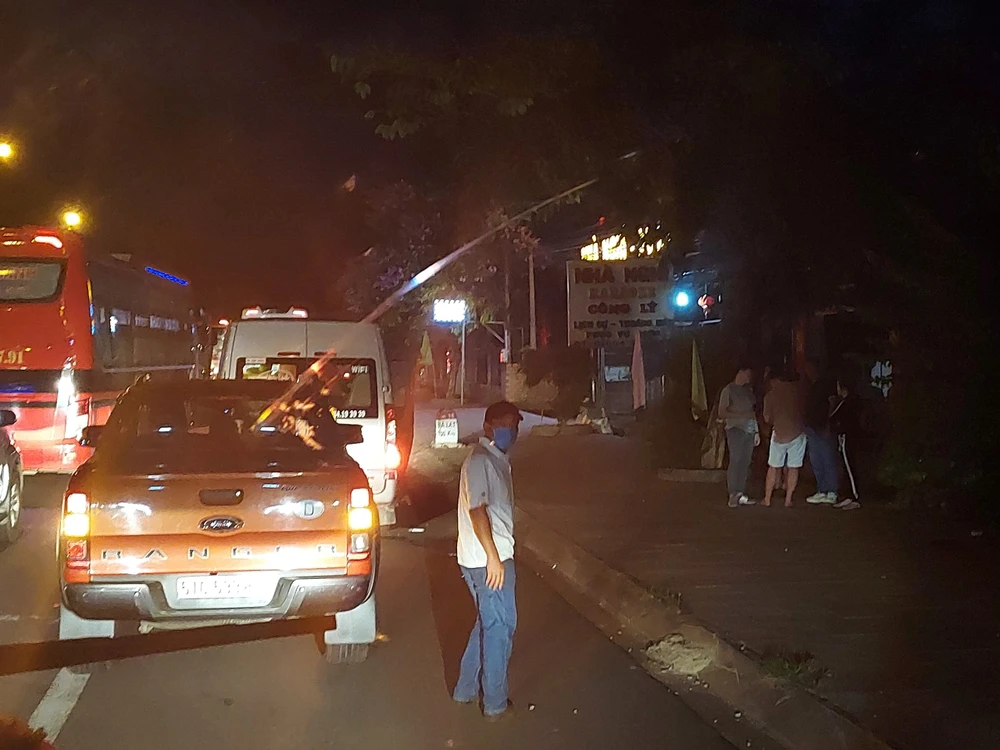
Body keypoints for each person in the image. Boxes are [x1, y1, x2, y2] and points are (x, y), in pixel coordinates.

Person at [453, 401, 523, 721]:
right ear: (488, 427)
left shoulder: (496, 460)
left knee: (490, 623)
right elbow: (477, 511)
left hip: (492, 557)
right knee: (499, 628)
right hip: (487, 561)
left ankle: (466, 689)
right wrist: (494, 559)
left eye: (515, 426)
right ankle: (495, 702)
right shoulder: (480, 461)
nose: (512, 431)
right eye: (505, 425)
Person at [763, 365, 807, 507]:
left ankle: (767, 499)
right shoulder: (799, 392)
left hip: (779, 434)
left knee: (773, 467)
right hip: (798, 433)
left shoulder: (771, 395)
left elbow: (767, 418)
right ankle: (788, 499)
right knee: (793, 467)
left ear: (774, 380)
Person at [718, 363, 759, 507]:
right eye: (747, 374)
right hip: (735, 429)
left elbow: (753, 412)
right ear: (740, 373)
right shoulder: (728, 390)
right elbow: (722, 412)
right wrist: (741, 415)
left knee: (745, 462)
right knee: (736, 460)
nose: (749, 377)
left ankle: (740, 492)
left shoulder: (748, 391)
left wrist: (756, 431)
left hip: (749, 429)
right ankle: (732, 493)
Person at [802, 362, 839, 505]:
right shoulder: (812, 386)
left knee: (827, 459)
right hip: (812, 426)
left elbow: (833, 402)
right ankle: (822, 489)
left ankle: (831, 491)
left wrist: (828, 421)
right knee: (817, 460)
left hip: (822, 426)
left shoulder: (825, 385)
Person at [830, 377, 862, 510]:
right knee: (846, 466)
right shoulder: (851, 402)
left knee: (849, 466)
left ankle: (855, 496)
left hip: (847, 438)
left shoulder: (847, 403)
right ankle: (849, 495)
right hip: (848, 437)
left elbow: (835, 418)